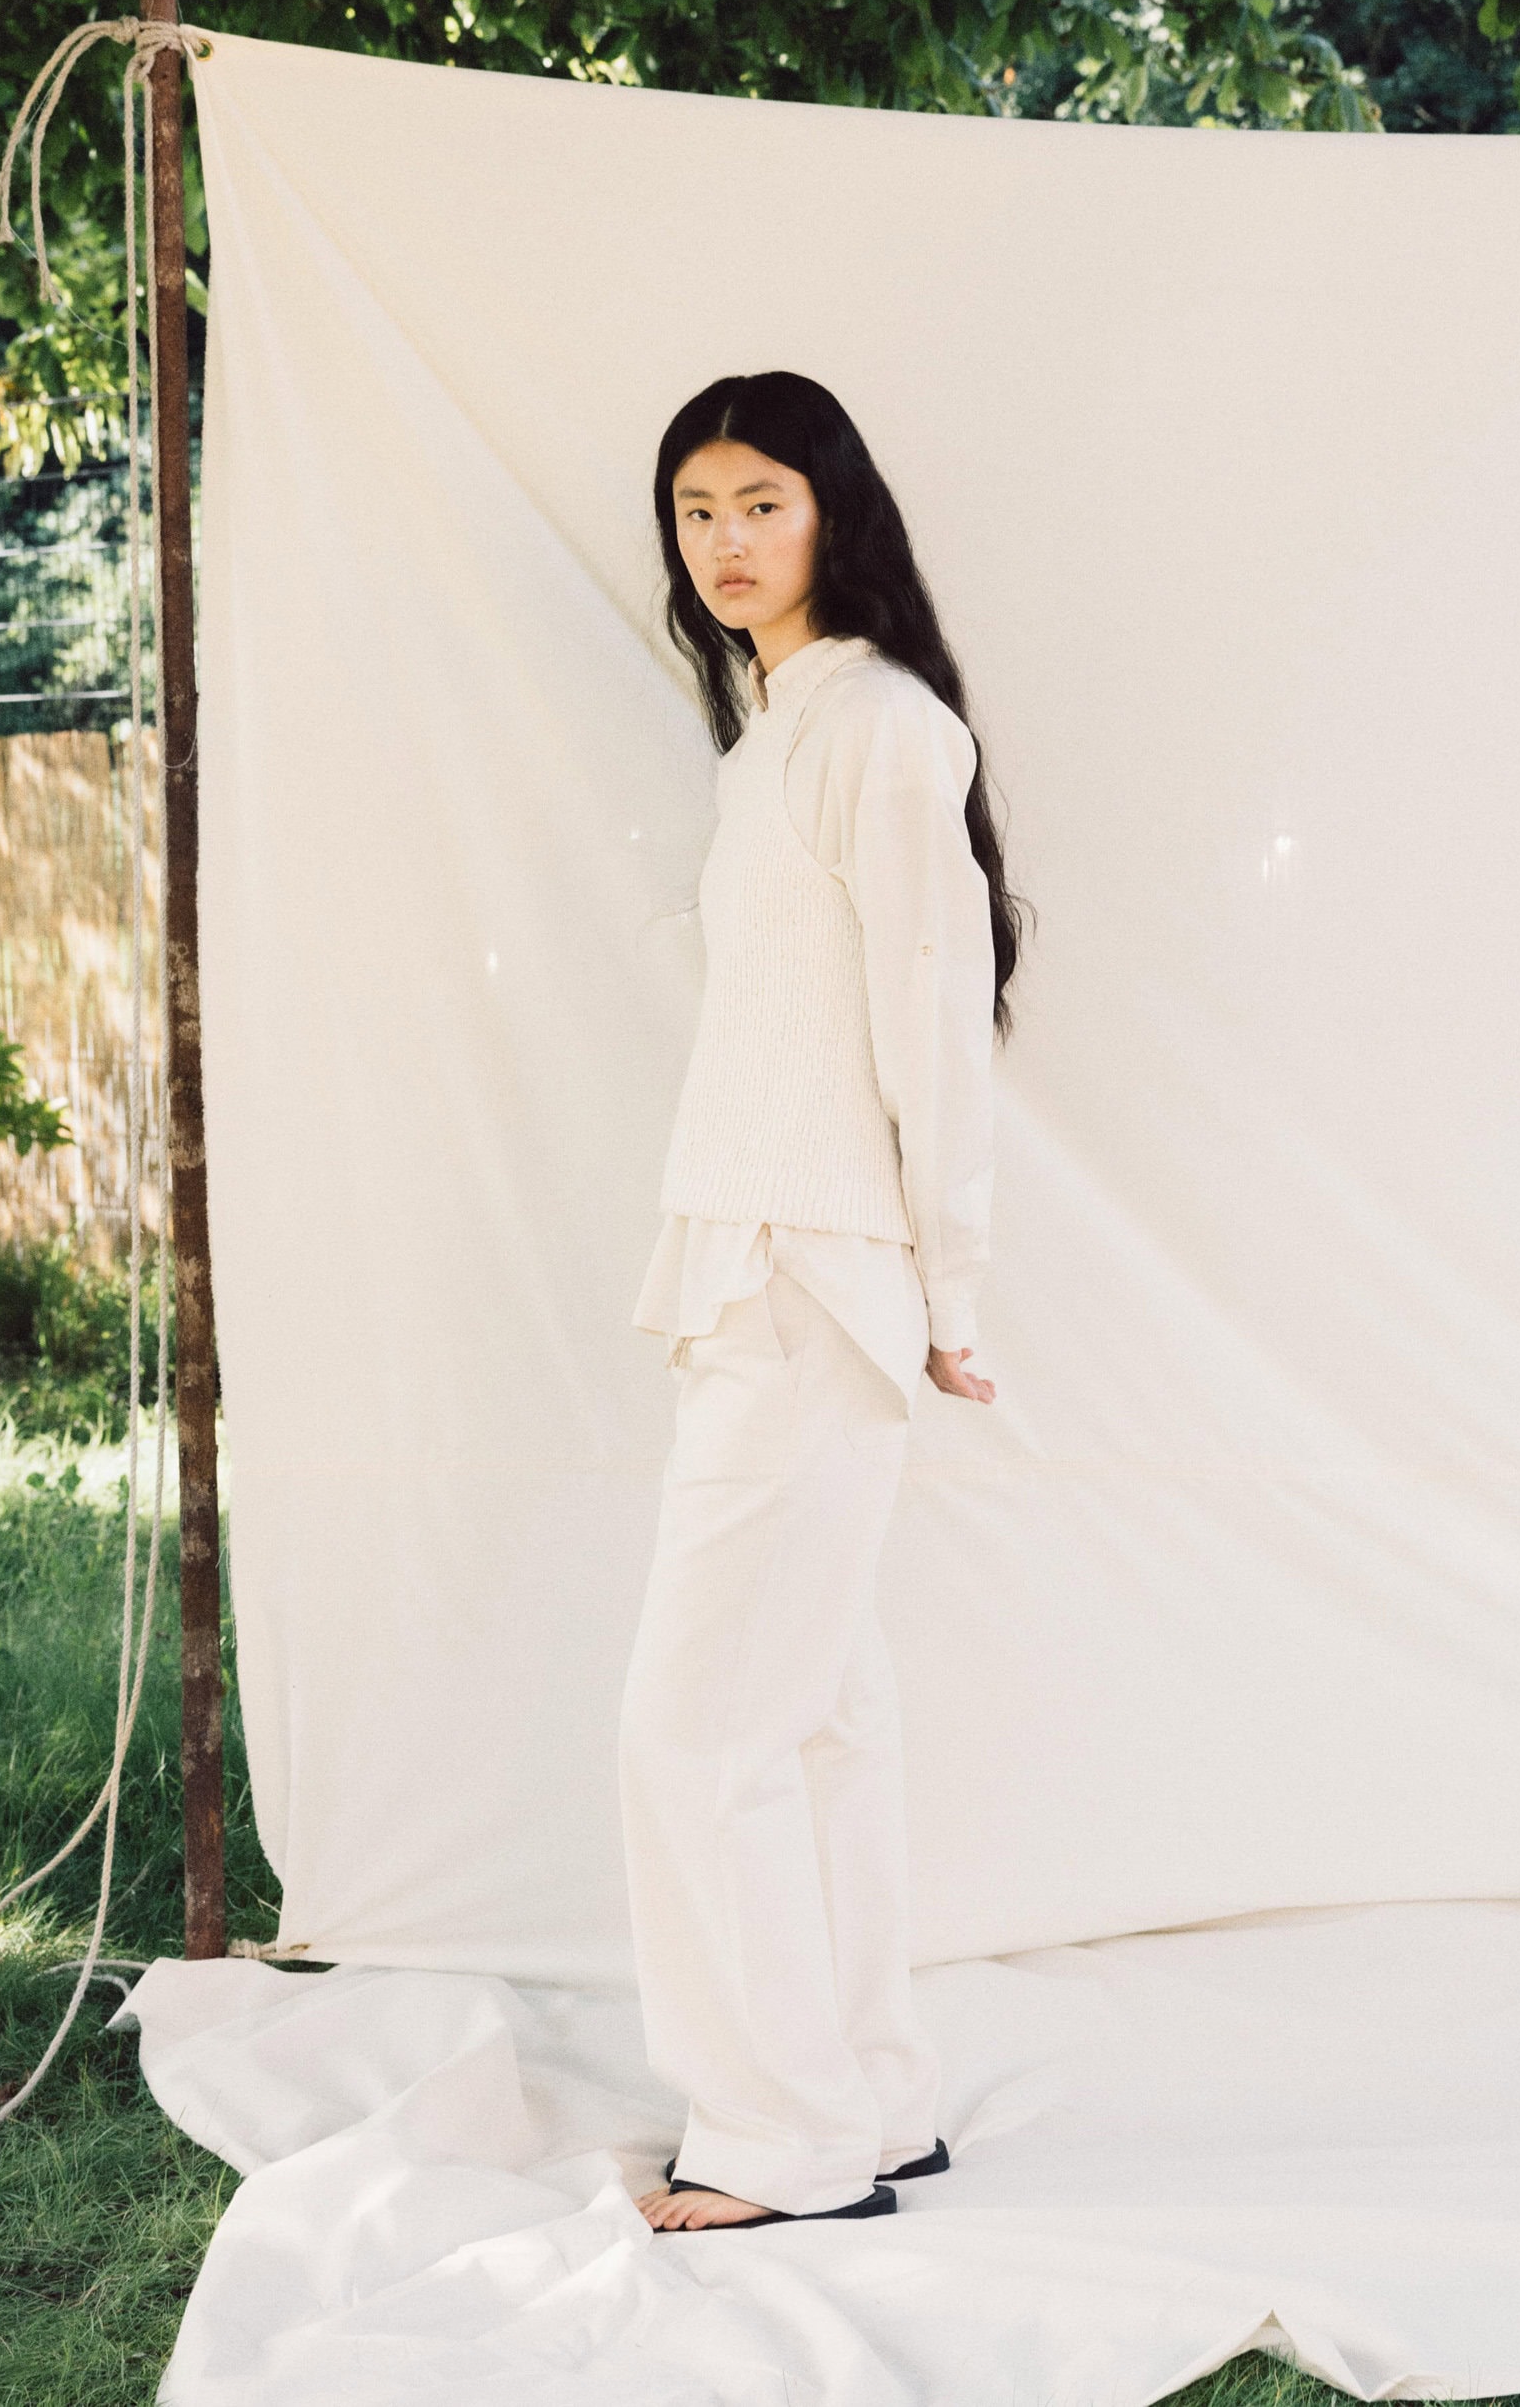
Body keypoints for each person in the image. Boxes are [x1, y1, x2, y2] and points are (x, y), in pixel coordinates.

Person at [618, 371, 1026, 2232]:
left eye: (760, 503)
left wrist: (952, 1284)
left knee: (697, 1732)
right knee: (812, 1719)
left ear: (832, 512)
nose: (725, 541)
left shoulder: (877, 725)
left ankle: (781, 2141)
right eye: (697, 510)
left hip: (811, 1278)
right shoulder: (774, 732)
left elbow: (935, 1020)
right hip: (759, 1266)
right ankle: (868, 2099)